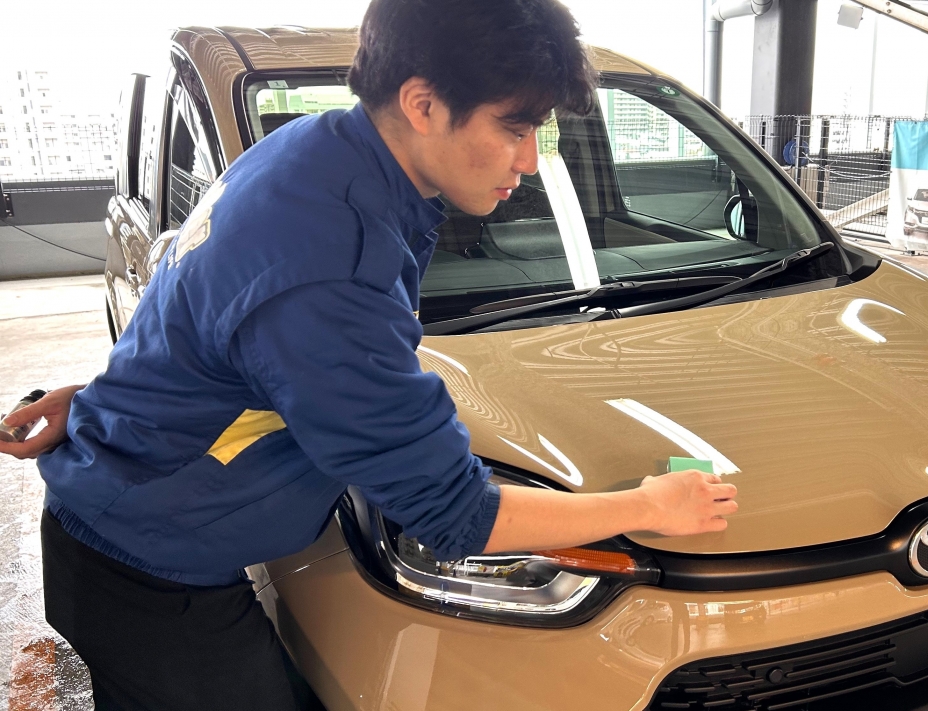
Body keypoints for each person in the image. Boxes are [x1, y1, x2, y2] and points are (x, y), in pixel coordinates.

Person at [0, 0, 738, 709]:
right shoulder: (331, 260)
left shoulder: (314, 151)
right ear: (422, 104)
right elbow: (455, 516)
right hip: (151, 570)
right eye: (514, 128)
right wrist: (649, 505)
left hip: (132, 515)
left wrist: (103, 398)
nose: (530, 160)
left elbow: (202, 310)